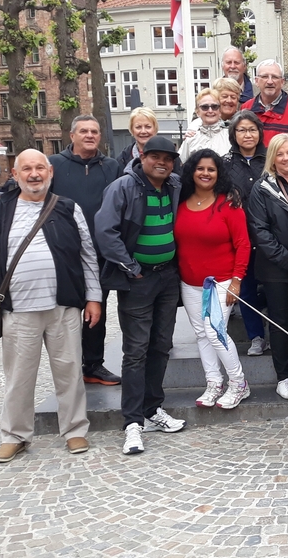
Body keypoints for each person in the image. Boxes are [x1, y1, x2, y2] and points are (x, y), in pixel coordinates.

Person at [0, 149, 102, 463]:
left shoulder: (68, 209)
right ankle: (15, 436)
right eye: (26, 169)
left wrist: (93, 297)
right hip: (16, 309)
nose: (34, 174)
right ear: (15, 175)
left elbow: (88, 257)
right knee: (19, 377)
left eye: (40, 168)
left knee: (69, 372)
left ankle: (75, 430)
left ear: (50, 172)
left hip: (63, 306)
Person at [94, 136, 188, 455]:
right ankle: (132, 423)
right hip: (138, 279)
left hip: (167, 277)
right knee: (136, 350)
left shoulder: (175, 184)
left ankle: (152, 409)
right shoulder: (124, 187)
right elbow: (105, 231)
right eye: (155, 157)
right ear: (143, 156)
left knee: (161, 345)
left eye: (168, 158)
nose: (162, 162)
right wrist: (131, 266)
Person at [48, 115, 123, 387]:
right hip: (64, 253)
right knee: (65, 312)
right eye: (84, 131)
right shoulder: (54, 165)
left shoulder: (112, 167)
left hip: (100, 253)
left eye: (94, 131)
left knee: (96, 311)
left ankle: (93, 364)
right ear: (72, 135)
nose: (90, 135)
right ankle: (67, 366)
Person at [174, 149, 251, 410]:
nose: (205, 173)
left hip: (221, 283)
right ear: (191, 172)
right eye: (200, 168)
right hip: (190, 282)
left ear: (218, 174)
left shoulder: (228, 204)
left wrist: (237, 281)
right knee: (201, 334)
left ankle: (239, 383)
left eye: (211, 169)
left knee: (215, 332)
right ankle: (214, 383)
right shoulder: (181, 202)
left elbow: (243, 244)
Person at [248, 134, 288, 400]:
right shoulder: (262, 189)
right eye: (280, 154)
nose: (286, 158)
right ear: (272, 159)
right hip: (277, 270)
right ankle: (284, 377)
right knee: (281, 323)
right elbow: (261, 233)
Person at [223, 112, 270, 356]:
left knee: (274, 288)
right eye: (241, 130)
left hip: (270, 234)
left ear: (260, 132)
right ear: (234, 134)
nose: (247, 134)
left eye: (252, 129)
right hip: (241, 237)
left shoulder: (271, 159)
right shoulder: (225, 163)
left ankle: (277, 334)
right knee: (248, 288)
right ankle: (256, 336)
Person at [242, 59, 288, 158]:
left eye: (275, 77)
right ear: (257, 81)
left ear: (282, 82)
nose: (270, 81)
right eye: (264, 76)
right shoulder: (246, 108)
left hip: (283, 171)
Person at [179, 88, 231, 162]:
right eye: (205, 107)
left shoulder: (230, 136)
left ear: (220, 111)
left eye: (214, 107)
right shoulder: (190, 138)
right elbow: (180, 165)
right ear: (197, 112)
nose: (210, 111)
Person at [118, 107, 160, 172]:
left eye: (148, 127)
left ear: (155, 129)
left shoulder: (168, 154)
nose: (143, 131)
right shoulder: (122, 159)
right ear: (132, 130)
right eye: (138, 127)